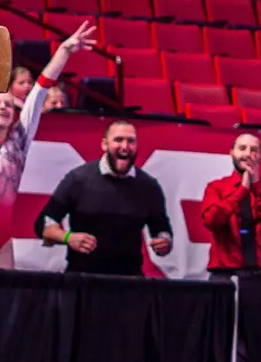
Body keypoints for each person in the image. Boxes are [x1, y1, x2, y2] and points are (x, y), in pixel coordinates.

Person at [0, 22, 95, 238]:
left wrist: (64, 51)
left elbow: (39, 92)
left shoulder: (19, 139)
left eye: (8, 105)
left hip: (1, 235)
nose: (2, 107)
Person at [200, 133, 261, 362]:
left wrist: (255, 189)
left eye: (254, 149)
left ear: (260, 156)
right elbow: (212, 220)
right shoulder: (216, 188)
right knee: (219, 347)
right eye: (242, 148)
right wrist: (241, 191)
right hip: (225, 279)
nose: (248, 153)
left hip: (258, 279)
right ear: (231, 153)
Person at [34, 119, 173, 277]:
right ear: (104, 145)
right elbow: (43, 224)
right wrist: (68, 237)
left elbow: (162, 230)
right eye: (118, 139)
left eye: (131, 141)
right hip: (82, 280)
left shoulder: (149, 186)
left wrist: (164, 242)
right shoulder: (78, 179)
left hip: (129, 283)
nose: (125, 147)